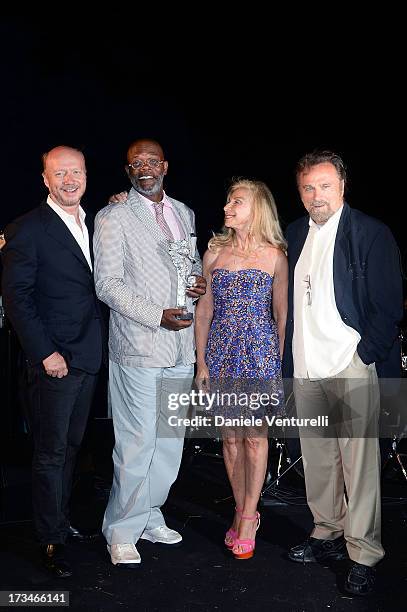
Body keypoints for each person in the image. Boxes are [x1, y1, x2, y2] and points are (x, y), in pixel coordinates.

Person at [283, 150, 403, 595]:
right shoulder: (295, 233)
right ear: (299, 191)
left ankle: (364, 552)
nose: (317, 195)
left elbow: (389, 306)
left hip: (348, 365)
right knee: (318, 462)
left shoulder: (370, 233)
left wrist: (363, 356)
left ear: (343, 187)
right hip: (307, 366)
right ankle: (326, 533)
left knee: (360, 468)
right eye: (308, 187)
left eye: (325, 186)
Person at [93, 138, 206, 568]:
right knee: (137, 443)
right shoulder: (113, 216)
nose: (145, 167)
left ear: (165, 166)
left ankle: (150, 514)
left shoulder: (185, 213)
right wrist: (155, 315)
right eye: (136, 163)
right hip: (139, 347)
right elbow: (107, 284)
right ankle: (121, 529)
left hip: (180, 348)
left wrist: (197, 281)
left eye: (151, 161)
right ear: (128, 172)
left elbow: (189, 266)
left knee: (170, 443)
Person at [1, 146, 105, 578]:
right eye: (59, 173)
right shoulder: (27, 229)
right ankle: (49, 540)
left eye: (75, 171)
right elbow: (17, 299)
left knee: (72, 448)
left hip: (87, 354)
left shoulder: (93, 223)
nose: (68, 179)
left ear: (85, 175)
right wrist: (45, 353)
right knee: (50, 452)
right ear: (44, 179)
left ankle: (59, 522)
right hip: (54, 361)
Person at [194, 178, 288, 559]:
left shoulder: (275, 255)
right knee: (230, 439)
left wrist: (278, 367)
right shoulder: (214, 252)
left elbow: (281, 316)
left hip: (259, 354)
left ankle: (249, 517)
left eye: (237, 202)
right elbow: (204, 313)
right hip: (221, 353)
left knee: (253, 437)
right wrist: (201, 363)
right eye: (228, 200)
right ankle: (241, 510)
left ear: (258, 209)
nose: (227, 207)